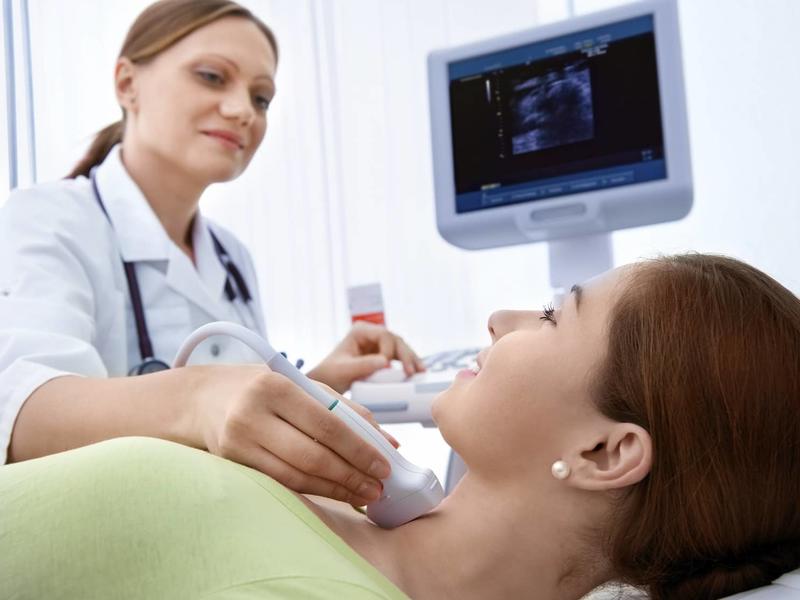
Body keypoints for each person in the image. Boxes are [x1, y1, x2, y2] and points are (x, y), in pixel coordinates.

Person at [2, 253, 799, 600]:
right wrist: (195, 400)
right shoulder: (359, 504)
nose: (498, 318)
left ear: (605, 450)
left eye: (555, 316)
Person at [0, 0, 426, 509]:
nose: (243, 110)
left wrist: (320, 383)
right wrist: (200, 397)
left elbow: (235, 417)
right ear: (127, 84)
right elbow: (22, 412)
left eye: (261, 97)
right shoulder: (44, 218)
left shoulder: (231, 256)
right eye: (212, 77)